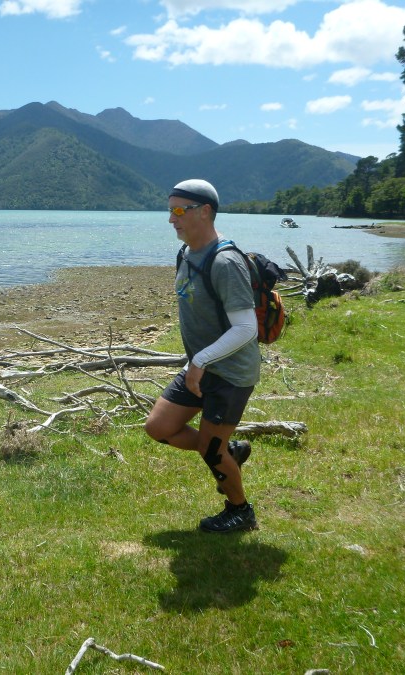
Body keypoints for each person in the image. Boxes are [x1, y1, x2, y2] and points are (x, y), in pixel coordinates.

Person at [144, 179, 260, 533]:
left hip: (230, 373)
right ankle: (229, 452)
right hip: (201, 367)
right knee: (159, 428)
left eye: (180, 211)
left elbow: (246, 328)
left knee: (211, 451)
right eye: (170, 211)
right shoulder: (185, 254)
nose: (172, 219)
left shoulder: (225, 262)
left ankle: (240, 511)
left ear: (205, 211)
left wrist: (199, 361)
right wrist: (195, 362)